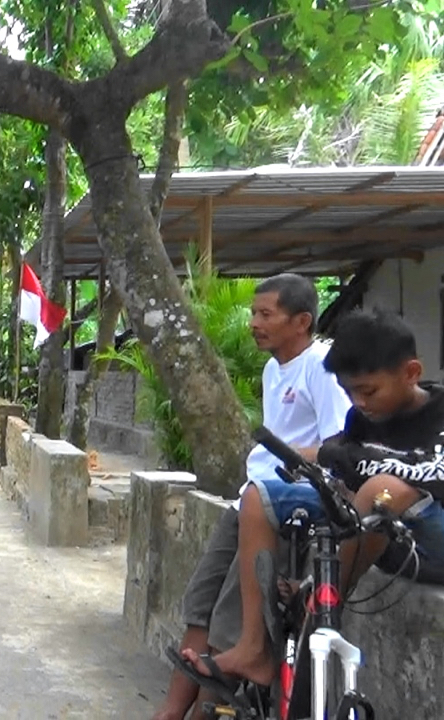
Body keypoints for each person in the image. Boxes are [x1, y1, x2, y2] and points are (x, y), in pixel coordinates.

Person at [180, 308, 444, 694]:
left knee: (383, 488)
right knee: (259, 496)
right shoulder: (361, 419)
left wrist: (355, 468)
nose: (359, 402)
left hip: (430, 540)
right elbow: (338, 456)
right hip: (377, 532)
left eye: (368, 390)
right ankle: (253, 647)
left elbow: (421, 475)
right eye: (350, 392)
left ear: (411, 373)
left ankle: (317, 602)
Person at [155, 274, 351, 720]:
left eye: (266, 314)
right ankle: (167, 713)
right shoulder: (271, 368)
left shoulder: (321, 367)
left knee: (231, 617)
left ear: (301, 321)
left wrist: (288, 458)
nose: (254, 323)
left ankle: (210, 709)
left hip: (286, 506)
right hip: (249, 499)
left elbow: (340, 447)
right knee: (200, 603)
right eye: (253, 313)